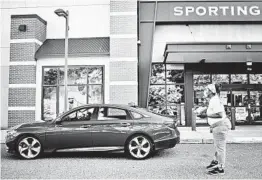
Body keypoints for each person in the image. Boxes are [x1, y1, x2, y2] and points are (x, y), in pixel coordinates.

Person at [203, 83, 231, 175]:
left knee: (220, 147)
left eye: (207, 90)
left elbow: (220, 114)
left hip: (220, 126)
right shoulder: (214, 99)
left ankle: (221, 168)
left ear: (211, 91)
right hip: (219, 126)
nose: (205, 91)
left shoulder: (214, 100)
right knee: (218, 146)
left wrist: (206, 115)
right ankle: (215, 161)